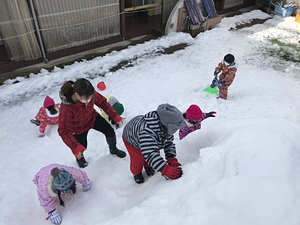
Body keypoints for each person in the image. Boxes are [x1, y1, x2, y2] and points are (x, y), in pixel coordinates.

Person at [58, 78, 126, 168]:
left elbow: (103, 103)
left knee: (110, 131)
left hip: (92, 118)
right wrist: (75, 147)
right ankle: (80, 159)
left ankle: (113, 149)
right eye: (87, 98)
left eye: (91, 97)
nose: (90, 99)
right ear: (77, 95)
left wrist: (115, 116)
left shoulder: (90, 94)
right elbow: (63, 130)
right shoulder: (66, 108)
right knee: (81, 146)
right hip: (78, 128)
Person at [122, 103, 186, 184]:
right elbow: (150, 153)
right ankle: (136, 173)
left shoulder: (165, 127)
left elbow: (168, 142)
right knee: (138, 159)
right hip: (131, 139)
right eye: (175, 128)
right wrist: (164, 169)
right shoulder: (147, 132)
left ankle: (148, 166)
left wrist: (171, 157)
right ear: (168, 126)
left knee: (154, 154)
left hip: (147, 136)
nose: (175, 130)